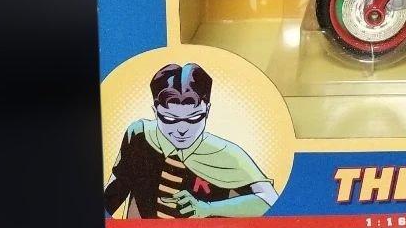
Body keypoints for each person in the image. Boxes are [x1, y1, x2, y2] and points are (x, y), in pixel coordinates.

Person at [103, 62, 279, 219]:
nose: (182, 129)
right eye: (170, 119)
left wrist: (208, 208)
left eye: (194, 118)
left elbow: (269, 199)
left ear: (207, 111)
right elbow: (115, 190)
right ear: (155, 112)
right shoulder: (140, 135)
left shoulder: (227, 154)